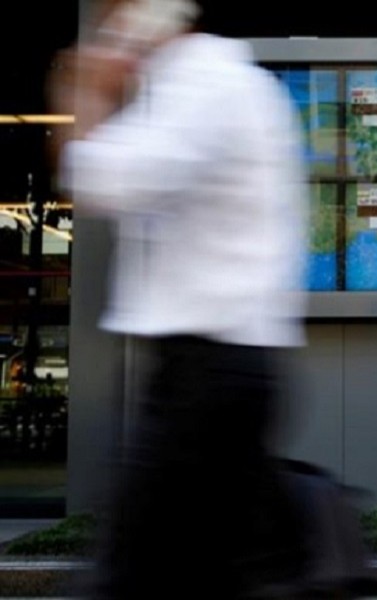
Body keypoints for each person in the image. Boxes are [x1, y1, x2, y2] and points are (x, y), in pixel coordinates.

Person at [49, 0, 311, 597]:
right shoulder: (217, 87)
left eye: (116, 21)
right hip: (222, 371)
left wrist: (85, 90)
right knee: (221, 574)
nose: (108, 36)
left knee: (130, 575)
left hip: (207, 375)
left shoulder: (203, 85)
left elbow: (100, 178)